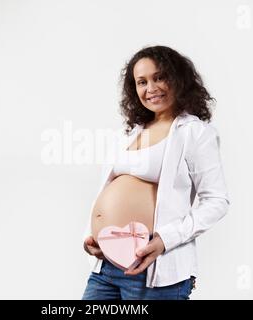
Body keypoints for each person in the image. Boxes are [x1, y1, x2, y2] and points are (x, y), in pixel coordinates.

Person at [81, 45, 230, 300]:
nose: (150, 88)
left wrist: (164, 240)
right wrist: (91, 234)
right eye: (142, 82)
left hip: (155, 270)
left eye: (159, 77)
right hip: (106, 266)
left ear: (178, 79)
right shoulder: (131, 132)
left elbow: (217, 201)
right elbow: (107, 189)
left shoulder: (195, 132)